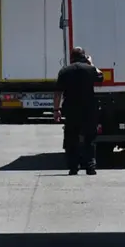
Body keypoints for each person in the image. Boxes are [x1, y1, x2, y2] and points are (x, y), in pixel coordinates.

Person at [54, 46, 104, 175]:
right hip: (88, 109)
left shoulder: (64, 71)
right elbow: (100, 77)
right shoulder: (89, 69)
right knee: (89, 139)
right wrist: (91, 63)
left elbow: (58, 93)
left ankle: (73, 167)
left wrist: (56, 110)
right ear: (84, 56)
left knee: (71, 139)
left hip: (71, 110)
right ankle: (90, 167)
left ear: (71, 57)